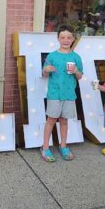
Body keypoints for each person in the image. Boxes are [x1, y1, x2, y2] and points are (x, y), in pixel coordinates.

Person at [41, 25, 83, 162]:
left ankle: (63, 145)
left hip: (69, 94)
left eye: (68, 37)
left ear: (73, 39)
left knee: (64, 121)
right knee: (51, 120)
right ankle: (45, 147)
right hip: (54, 94)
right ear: (58, 39)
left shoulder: (76, 57)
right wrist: (47, 69)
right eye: (62, 37)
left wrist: (76, 71)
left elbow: (80, 76)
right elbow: (44, 74)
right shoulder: (52, 56)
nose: (65, 40)